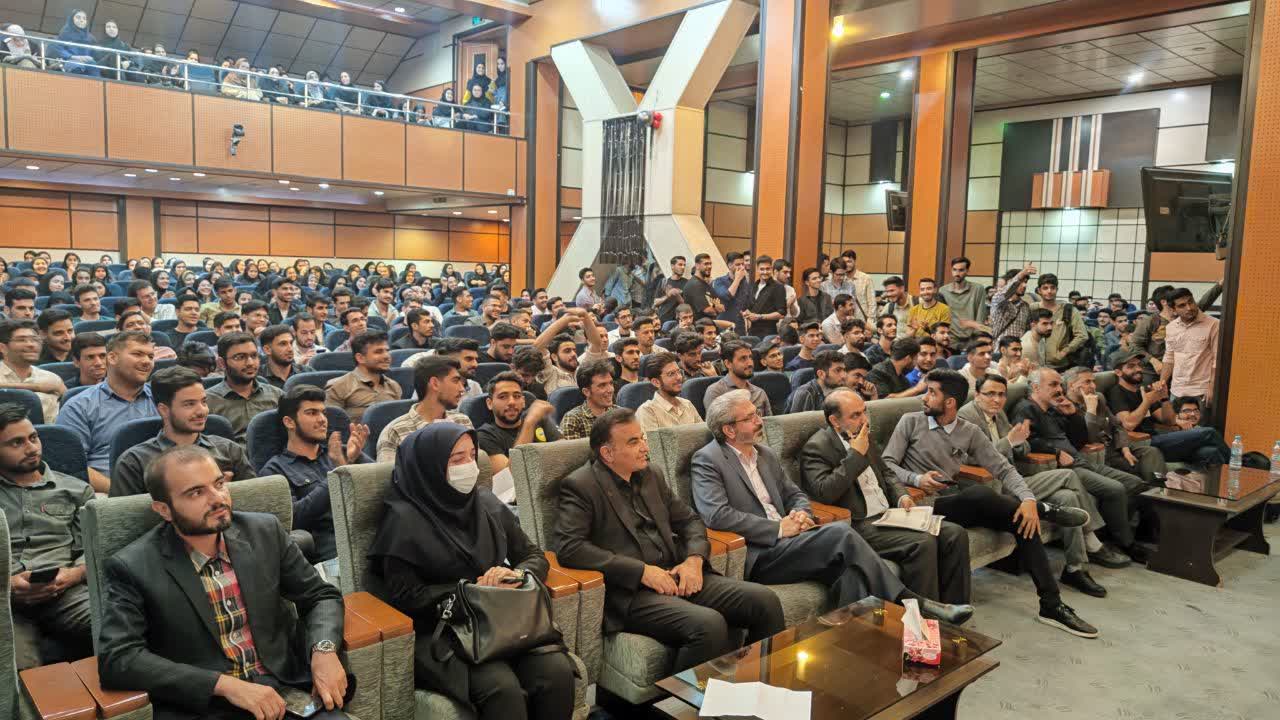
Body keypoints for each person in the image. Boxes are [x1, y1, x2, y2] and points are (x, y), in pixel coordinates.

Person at [97, 445, 353, 720]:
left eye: (219, 484)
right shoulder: (133, 566)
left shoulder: (264, 531)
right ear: (164, 510)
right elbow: (119, 657)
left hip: (285, 692)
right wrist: (224, 685)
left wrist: (323, 650)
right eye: (196, 493)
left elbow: (320, 596)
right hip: (206, 706)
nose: (218, 498)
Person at [693, 391, 972, 621]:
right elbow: (716, 514)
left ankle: (855, 648)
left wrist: (802, 512)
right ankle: (915, 604)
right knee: (841, 532)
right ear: (729, 429)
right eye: (750, 417)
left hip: (795, 539)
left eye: (757, 413)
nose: (759, 420)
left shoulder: (764, 454)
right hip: (761, 553)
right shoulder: (708, 460)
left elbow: (794, 493)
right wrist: (777, 528)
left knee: (852, 574)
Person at [369, 424, 576, 718]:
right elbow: (406, 597)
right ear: (430, 467)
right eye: (457, 459)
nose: (469, 466)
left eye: (472, 456)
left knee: (556, 673)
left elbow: (533, 555)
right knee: (503, 689)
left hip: (500, 617)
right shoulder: (402, 520)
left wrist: (515, 575)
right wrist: (472, 592)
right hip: (442, 628)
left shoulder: (485, 502)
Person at [556, 408, 787, 671]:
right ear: (607, 453)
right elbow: (570, 547)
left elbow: (690, 520)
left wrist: (694, 560)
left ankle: (763, 681)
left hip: (678, 573)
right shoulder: (581, 485)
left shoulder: (651, 474)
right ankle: (677, 698)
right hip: (633, 592)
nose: (645, 447)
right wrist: (641, 572)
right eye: (634, 442)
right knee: (708, 625)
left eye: (643, 438)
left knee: (764, 601)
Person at [881, 369, 1098, 637]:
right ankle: (1047, 510)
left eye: (931, 392)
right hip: (918, 506)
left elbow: (1003, 468)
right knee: (978, 494)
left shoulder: (969, 431)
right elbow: (887, 465)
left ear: (950, 402)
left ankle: (1051, 604)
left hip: (954, 504)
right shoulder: (911, 421)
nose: (924, 398)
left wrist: (1028, 499)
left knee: (1023, 519)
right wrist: (916, 478)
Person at [800, 390, 971, 603]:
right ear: (835, 420)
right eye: (855, 415)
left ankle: (954, 611)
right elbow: (824, 492)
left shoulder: (862, 434)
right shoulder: (817, 447)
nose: (864, 420)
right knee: (922, 542)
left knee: (955, 533)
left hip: (889, 514)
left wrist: (902, 497)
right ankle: (920, 619)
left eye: (864, 411)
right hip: (859, 524)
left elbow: (887, 472)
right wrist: (855, 455)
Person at [957, 372, 1118, 595]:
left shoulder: (999, 414)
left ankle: (1075, 568)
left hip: (1015, 479)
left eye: (1001, 395)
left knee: (1068, 498)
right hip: (992, 488)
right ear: (977, 395)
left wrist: (1020, 441)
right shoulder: (966, 416)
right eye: (990, 394)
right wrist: (1009, 441)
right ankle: (1091, 536)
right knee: (1068, 475)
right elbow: (969, 459)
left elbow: (1022, 449)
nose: (996, 399)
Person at [1011, 368, 1146, 566]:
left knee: (1135, 483)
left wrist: (1073, 415)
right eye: (1053, 385)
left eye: (1060, 384)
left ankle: (1113, 533)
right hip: (1062, 468)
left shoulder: (1053, 408)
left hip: (1081, 460)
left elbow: (1080, 440)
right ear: (1035, 387)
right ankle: (1124, 542)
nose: (1060, 389)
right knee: (1116, 489)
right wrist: (1055, 452)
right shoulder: (1025, 409)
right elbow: (1023, 442)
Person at [0, 404, 95, 669]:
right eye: (16, 443)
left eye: (33, 438)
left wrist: (73, 575)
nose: (31, 448)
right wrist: (7, 585)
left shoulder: (76, 490)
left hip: (65, 591)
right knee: (18, 670)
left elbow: (94, 548)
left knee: (116, 624)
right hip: (5, 599)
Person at [260, 386, 369, 565]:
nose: (322, 420)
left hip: (369, 538)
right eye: (312, 413)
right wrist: (338, 472)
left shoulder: (343, 452)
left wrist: (357, 459)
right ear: (289, 422)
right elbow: (293, 519)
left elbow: (381, 489)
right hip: (332, 554)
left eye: (323, 413)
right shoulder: (274, 471)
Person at [111, 367, 255, 498]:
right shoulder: (134, 463)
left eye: (203, 402)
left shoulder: (229, 450)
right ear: (164, 410)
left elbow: (256, 499)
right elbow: (126, 516)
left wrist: (228, 491)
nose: (202, 411)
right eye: (189, 404)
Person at [58, 331, 156, 490]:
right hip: (105, 490)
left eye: (151, 356)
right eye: (137, 354)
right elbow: (71, 464)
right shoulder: (79, 407)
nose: (146, 361)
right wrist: (120, 492)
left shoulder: (163, 400)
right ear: (112, 358)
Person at [1106, 350, 1231, 466]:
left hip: (1159, 439)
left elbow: (1168, 420)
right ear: (1118, 372)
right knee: (1209, 432)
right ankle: (1240, 465)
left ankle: (1225, 479)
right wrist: (1147, 402)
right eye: (1131, 366)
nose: (1138, 369)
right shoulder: (1116, 393)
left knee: (1211, 452)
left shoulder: (1143, 390)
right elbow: (1128, 424)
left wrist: (1164, 398)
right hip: (1141, 443)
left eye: (1139, 365)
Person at [1064, 366, 1167, 486]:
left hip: (1115, 448)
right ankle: (1151, 490)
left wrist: (1125, 449)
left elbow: (1117, 425)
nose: (1093, 386)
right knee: (1136, 479)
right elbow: (1090, 438)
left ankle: (1159, 491)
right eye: (1087, 382)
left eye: (1093, 381)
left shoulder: (1099, 397)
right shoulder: (1066, 408)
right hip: (1098, 455)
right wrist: (1091, 411)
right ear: (1071, 385)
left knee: (1151, 452)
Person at [375, 356, 473, 462]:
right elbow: (390, 472)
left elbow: (477, 464)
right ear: (435, 383)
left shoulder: (462, 421)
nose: (462, 389)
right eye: (455, 381)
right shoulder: (395, 431)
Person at [476, 372, 562, 474]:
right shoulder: (485, 435)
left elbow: (565, 453)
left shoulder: (539, 418)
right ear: (490, 403)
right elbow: (509, 476)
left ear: (523, 401)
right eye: (503, 397)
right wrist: (529, 424)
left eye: (517, 396)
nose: (512, 402)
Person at [206, 332, 284, 442]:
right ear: (222, 363)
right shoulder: (207, 402)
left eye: (254, 356)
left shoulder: (277, 395)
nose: (250, 363)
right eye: (240, 357)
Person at [1160, 287, 1219, 407]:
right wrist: (1162, 383)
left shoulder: (1214, 324)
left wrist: (1212, 387)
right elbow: (1169, 357)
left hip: (1202, 390)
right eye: (1182, 305)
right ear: (1173, 310)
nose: (1189, 308)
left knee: (1201, 420)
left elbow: (1217, 359)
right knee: (1175, 419)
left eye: (1191, 302)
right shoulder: (1171, 327)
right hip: (1176, 390)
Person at [325, 331, 400, 423]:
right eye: (378, 352)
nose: (387, 356)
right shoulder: (338, 386)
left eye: (387, 351)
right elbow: (332, 425)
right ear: (360, 358)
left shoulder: (394, 386)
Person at [0, 319, 65, 422]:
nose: (31, 344)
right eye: (21, 340)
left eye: (35, 340)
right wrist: (36, 387)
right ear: (2, 348)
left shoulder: (51, 378)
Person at [703, 340, 771, 417]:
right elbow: (715, 424)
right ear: (728, 364)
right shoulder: (716, 392)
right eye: (743, 358)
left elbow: (770, 422)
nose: (750, 363)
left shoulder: (759, 393)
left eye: (750, 357)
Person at [635, 352, 702, 431]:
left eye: (679, 372)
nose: (679, 377)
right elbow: (653, 440)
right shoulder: (647, 411)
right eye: (671, 374)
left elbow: (704, 434)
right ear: (656, 382)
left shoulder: (687, 404)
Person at [559, 359, 619, 441]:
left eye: (611, 383)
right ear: (586, 392)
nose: (610, 390)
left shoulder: (620, 414)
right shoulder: (573, 420)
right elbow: (571, 449)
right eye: (602, 385)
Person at [940, 256, 987, 347]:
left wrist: (978, 337)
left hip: (972, 336)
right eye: (954, 270)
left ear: (967, 271)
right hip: (951, 336)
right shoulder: (943, 291)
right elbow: (942, 317)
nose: (957, 273)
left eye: (961, 270)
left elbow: (980, 315)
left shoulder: (978, 289)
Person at [742, 255, 787, 337]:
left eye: (767, 269)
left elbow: (781, 314)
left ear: (771, 269)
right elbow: (748, 307)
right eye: (762, 269)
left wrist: (760, 317)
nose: (765, 272)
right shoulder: (753, 286)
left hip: (769, 334)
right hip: (752, 332)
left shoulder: (778, 287)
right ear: (757, 269)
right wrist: (746, 313)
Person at [990, 263, 1035, 341]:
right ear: (1010, 282)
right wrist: (1022, 273)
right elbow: (1006, 292)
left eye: (1026, 282)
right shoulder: (998, 300)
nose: (1024, 285)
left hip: (1019, 347)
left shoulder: (1025, 306)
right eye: (1021, 282)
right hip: (1000, 347)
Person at [259, 324, 306, 389]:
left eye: (291, 343)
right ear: (267, 349)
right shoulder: (257, 379)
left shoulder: (306, 373)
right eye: (283, 344)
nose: (290, 349)